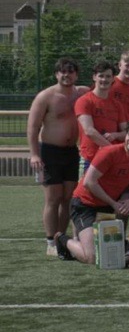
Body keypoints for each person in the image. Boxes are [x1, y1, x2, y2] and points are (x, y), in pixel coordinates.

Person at [55, 121, 129, 264]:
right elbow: (89, 182)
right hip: (85, 205)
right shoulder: (110, 152)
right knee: (92, 258)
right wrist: (113, 203)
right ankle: (62, 239)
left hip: (107, 207)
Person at [27, 57, 89, 256]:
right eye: (62, 71)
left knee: (68, 198)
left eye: (71, 71)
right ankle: (50, 242)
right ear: (56, 74)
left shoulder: (83, 93)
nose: (66, 75)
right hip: (49, 152)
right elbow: (33, 127)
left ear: (76, 75)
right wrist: (34, 154)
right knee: (53, 198)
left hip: (71, 152)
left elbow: (108, 87)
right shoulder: (45, 96)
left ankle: (61, 239)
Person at [75, 60, 122, 171]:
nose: (104, 79)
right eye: (101, 76)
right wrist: (111, 149)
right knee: (85, 184)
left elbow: (125, 131)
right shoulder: (84, 101)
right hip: (90, 158)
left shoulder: (117, 104)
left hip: (110, 160)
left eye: (108, 76)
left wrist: (115, 135)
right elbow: (89, 131)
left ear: (113, 79)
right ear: (94, 77)